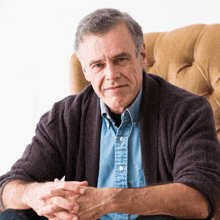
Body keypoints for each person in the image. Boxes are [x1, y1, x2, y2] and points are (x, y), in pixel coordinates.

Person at [0, 8, 220, 220]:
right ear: (85, 71)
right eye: (98, 65)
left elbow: (200, 198)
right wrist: (36, 195)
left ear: (142, 56)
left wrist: (110, 200)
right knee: (13, 215)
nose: (111, 75)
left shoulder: (188, 110)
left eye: (120, 60)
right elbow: (8, 187)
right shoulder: (63, 117)